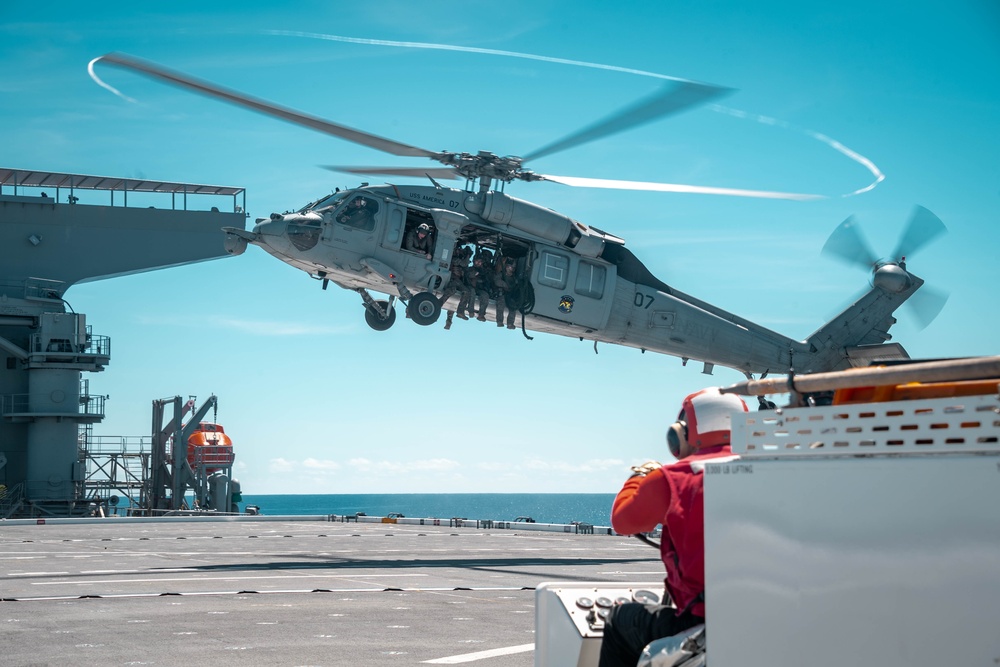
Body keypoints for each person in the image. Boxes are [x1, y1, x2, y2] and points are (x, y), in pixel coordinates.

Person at [598, 387, 749, 667]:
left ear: (682, 433)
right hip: (769, 620)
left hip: (703, 624)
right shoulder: (779, 469)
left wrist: (640, 476)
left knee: (619, 620)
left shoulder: (674, 479)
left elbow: (623, 521)